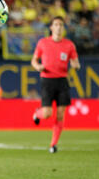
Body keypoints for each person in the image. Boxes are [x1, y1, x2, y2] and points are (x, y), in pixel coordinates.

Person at [31, 16, 81, 153]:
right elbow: (34, 60)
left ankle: (53, 144)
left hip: (62, 81)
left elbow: (76, 62)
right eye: (56, 24)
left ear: (63, 28)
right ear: (51, 28)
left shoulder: (69, 45)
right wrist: (38, 67)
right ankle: (37, 114)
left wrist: (75, 65)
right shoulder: (43, 43)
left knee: (60, 114)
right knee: (47, 113)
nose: (58, 27)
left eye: (61, 25)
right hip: (47, 80)